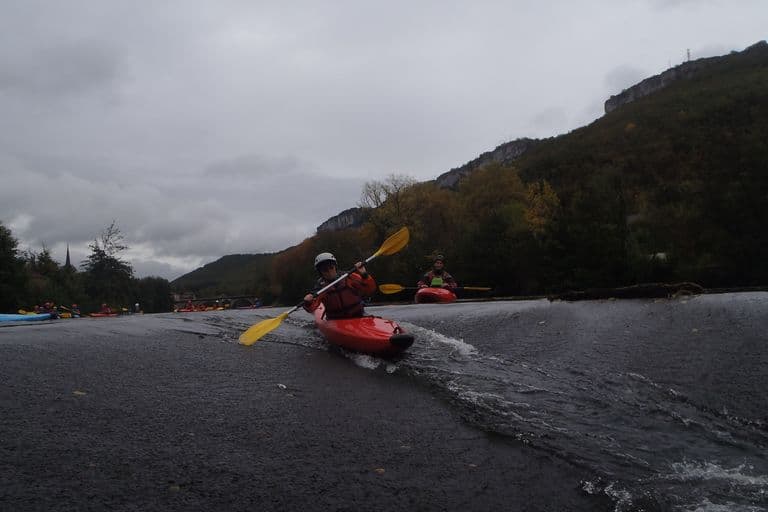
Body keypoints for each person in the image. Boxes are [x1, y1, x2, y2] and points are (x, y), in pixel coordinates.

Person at [303, 252, 376, 319]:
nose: (329, 271)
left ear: (335, 267)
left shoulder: (349, 277)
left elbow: (370, 290)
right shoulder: (320, 287)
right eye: (325, 269)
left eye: (331, 267)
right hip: (335, 320)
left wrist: (364, 275)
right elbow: (312, 308)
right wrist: (308, 303)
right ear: (320, 272)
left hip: (358, 315)